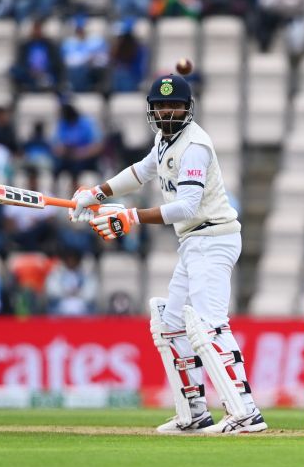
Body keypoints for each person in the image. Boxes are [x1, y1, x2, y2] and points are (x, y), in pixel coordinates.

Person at [71, 73, 267, 434]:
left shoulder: (194, 146)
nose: (167, 112)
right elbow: (142, 172)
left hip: (212, 238)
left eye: (174, 105)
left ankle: (246, 413)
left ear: (188, 109)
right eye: (161, 106)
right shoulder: (165, 140)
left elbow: (187, 206)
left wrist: (130, 215)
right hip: (194, 243)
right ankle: (194, 414)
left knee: (209, 325)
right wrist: (97, 193)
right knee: (170, 324)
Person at [52, 102, 103, 191]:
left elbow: (97, 146)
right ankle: (55, 193)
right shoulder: (63, 123)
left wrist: (82, 153)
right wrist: (63, 150)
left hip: (86, 157)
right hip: (68, 157)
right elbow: (56, 145)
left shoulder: (87, 123)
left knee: (76, 167)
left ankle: (76, 192)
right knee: (56, 167)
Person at [10, 17, 64, 93]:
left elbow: (55, 62)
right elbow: (20, 62)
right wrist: (30, 71)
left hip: (46, 74)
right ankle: (17, 95)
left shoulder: (49, 45)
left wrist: (43, 71)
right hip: (29, 75)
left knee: (56, 74)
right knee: (14, 70)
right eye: (35, 29)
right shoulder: (25, 46)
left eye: (39, 29)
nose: (37, 31)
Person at [61, 14, 108, 93]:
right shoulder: (68, 43)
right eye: (78, 29)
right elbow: (67, 61)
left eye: (82, 28)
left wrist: (93, 60)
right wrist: (86, 59)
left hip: (92, 74)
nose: (80, 31)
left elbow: (104, 60)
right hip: (75, 76)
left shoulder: (96, 41)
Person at [45, 249, 98, 316]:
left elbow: (90, 294)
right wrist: (66, 292)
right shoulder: (56, 273)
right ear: (65, 261)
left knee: (80, 307)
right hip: (61, 303)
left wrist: (77, 293)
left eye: (73, 260)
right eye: (69, 260)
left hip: (81, 303)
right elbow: (52, 292)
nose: (71, 262)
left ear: (78, 261)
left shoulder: (87, 274)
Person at [109, 18, 148, 93]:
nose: (119, 39)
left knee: (122, 76)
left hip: (133, 80)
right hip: (119, 81)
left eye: (122, 37)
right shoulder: (117, 48)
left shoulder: (139, 49)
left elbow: (139, 71)